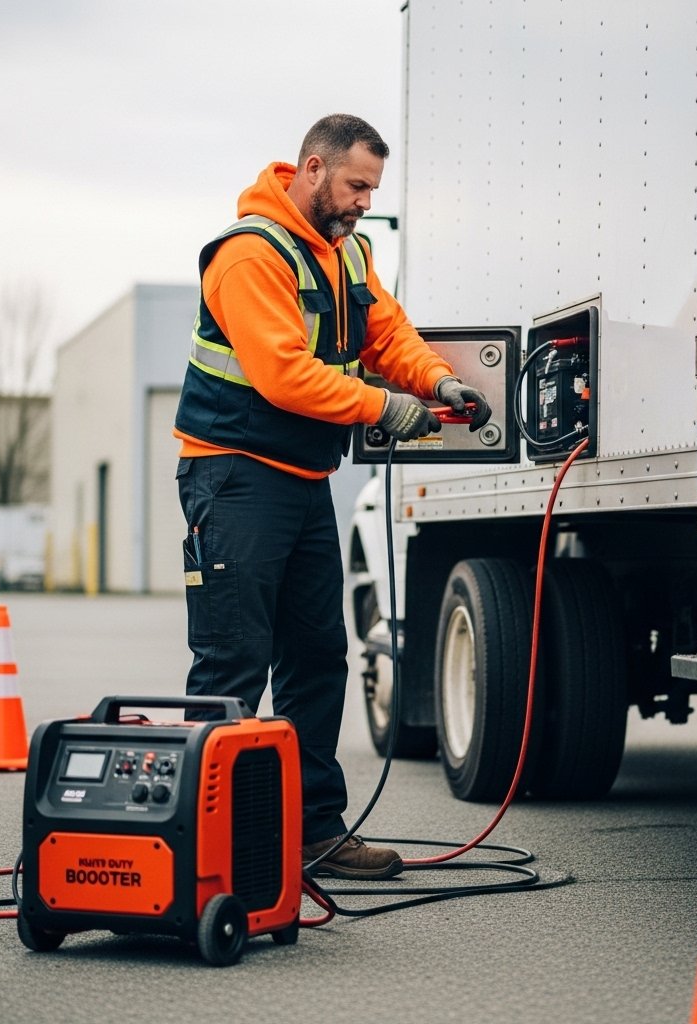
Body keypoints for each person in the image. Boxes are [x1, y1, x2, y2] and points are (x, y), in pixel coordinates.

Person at [173, 114, 490, 880]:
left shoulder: (349, 252)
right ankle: (208, 849)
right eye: (355, 186)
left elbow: (387, 335)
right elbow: (283, 374)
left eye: (373, 190)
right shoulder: (250, 255)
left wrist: (436, 381)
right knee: (232, 666)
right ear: (312, 169)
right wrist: (384, 407)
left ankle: (313, 831)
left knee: (317, 659)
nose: (362, 202)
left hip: (301, 479)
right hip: (234, 476)